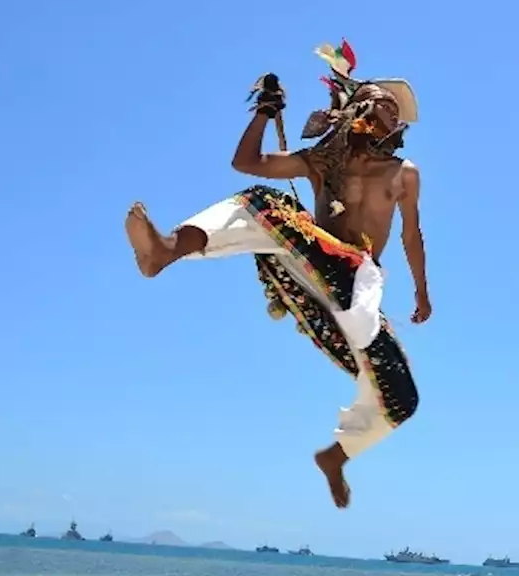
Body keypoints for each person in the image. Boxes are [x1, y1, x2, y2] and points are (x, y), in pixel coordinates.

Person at [123, 40, 427, 507]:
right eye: (376, 99)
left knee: (401, 397)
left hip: (354, 294)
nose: (385, 108)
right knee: (263, 202)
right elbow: (247, 163)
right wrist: (265, 112)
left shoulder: (404, 173)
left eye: (390, 106)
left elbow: (411, 237)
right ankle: (165, 251)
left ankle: (336, 457)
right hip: (309, 265)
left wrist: (422, 294)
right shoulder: (324, 160)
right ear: (355, 108)